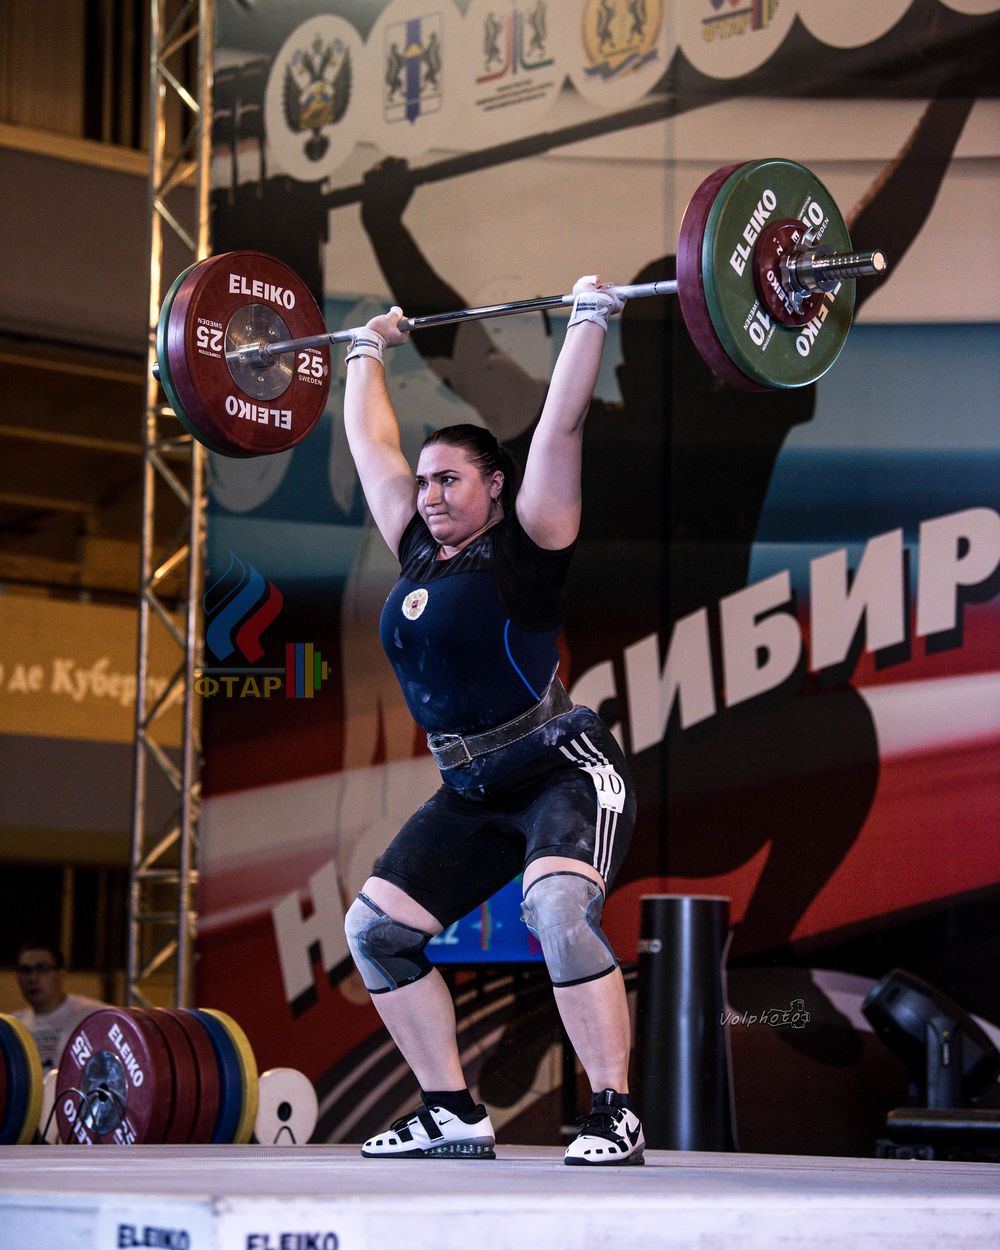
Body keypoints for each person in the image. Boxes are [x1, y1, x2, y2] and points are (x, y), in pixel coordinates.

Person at [341, 276, 644, 1166]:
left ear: (495, 486)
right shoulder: (417, 549)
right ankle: (450, 1112)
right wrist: (366, 350)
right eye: (425, 481)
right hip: (472, 788)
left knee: (556, 907)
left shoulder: (530, 545)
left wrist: (587, 320)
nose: (429, 494)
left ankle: (615, 1112)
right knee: (376, 933)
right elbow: (370, 443)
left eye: (450, 479)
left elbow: (561, 427)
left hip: (561, 768)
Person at [12, 940, 107, 1071]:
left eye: (42, 968)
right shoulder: (14, 1027)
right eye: (25, 970)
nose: (33, 978)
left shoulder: (94, 1016)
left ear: (61, 973)